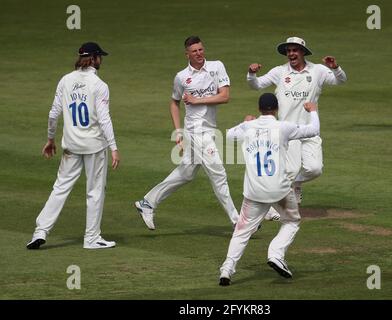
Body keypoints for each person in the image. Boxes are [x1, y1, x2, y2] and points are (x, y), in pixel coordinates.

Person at [134, 36, 239, 230]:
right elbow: (174, 102)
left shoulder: (217, 67)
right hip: (196, 132)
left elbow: (225, 96)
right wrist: (178, 131)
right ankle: (237, 221)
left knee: (186, 173)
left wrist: (196, 100)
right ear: (187, 54)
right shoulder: (182, 77)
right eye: (194, 51)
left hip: (208, 129)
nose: (199, 53)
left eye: (200, 49)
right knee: (219, 174)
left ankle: (147, 203)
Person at [218, 93, 320, 286]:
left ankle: (227, 269)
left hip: (254, 193)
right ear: (276, 109)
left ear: (259, 109)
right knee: (291, 221)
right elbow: (314, 130)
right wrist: (313, 111)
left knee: (241, 232)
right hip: (279, 190)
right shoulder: (283, 127)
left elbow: (230, 134)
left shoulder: (248, 127)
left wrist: (244, 122)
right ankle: (275, 254)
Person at [26, 42, 120, 250]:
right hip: (94, 146)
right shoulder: (100, 85)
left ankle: (40, 231)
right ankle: (92, 238)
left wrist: (50, 140)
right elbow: (104, 119)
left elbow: (53, 114)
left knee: (60, 188)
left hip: (71, 145)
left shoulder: (65, 80)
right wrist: (113, 147)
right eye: (100, 57)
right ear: (94, 59)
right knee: (95, 191)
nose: (101, 60)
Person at [247, 36, 347, 217]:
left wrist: (335, 68)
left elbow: (340, 81)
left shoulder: (317, 71)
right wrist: (251, 74)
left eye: (295, 50)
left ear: (302, 52)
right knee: (289, 171)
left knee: (315, 169)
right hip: (288, 132)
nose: (291, 54)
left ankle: (295, 185)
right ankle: (270, 207)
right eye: (288, 51)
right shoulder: (279, 72)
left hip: (310, 130)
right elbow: (257, 85)